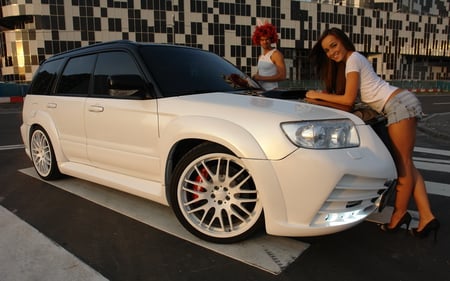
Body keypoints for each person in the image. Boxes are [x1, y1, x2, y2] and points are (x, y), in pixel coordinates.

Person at [306, 27, 439, 240]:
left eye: (334, 45)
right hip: (400, 103)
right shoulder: (354, 60)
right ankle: (427, 216)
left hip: (397, 105)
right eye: (327, 50)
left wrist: (314, 95)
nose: (331, 52)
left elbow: (348, 100)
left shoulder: (353, 59)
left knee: (402, 165)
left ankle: (399, 215)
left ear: (344, 42)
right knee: (409, 164)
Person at [251, 22, 286, 90]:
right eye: (262, 40)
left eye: (267, 39)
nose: (265, 42)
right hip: (261, 92)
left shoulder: (276, 54)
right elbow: (260, 75)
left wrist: (261, 78)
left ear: (271, 39)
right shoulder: (260, 57)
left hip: (271, 92)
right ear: (258, 40)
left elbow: (282, 76)